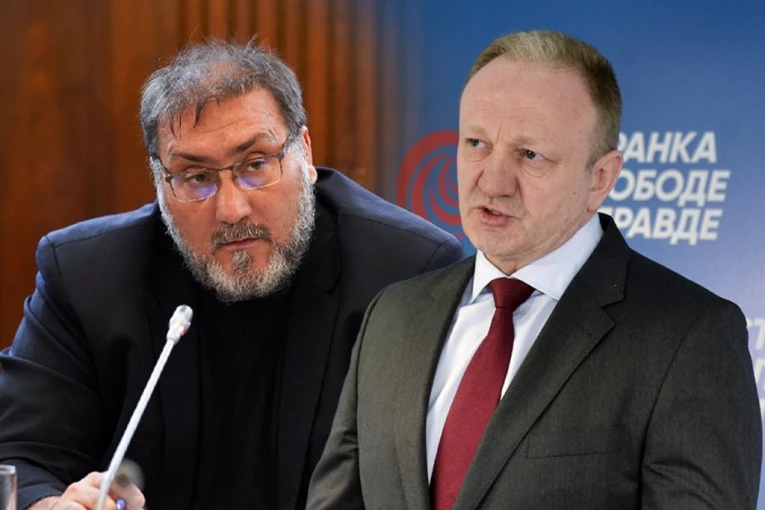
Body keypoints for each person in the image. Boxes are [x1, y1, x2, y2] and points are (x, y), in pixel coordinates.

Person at [306, 30, 762, 509]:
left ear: (601, 177)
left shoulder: (690, 338)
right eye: (477, 142)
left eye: (530, 155)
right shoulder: (392, 316)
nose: (493, 182)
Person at [0, 40, 464, 510]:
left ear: (304, 153)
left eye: (255, 165)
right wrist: (50, 505)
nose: (231, 209)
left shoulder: (405, 272)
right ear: (160, 183)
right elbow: (18, 455)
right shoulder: (87, 276)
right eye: (196, 177)